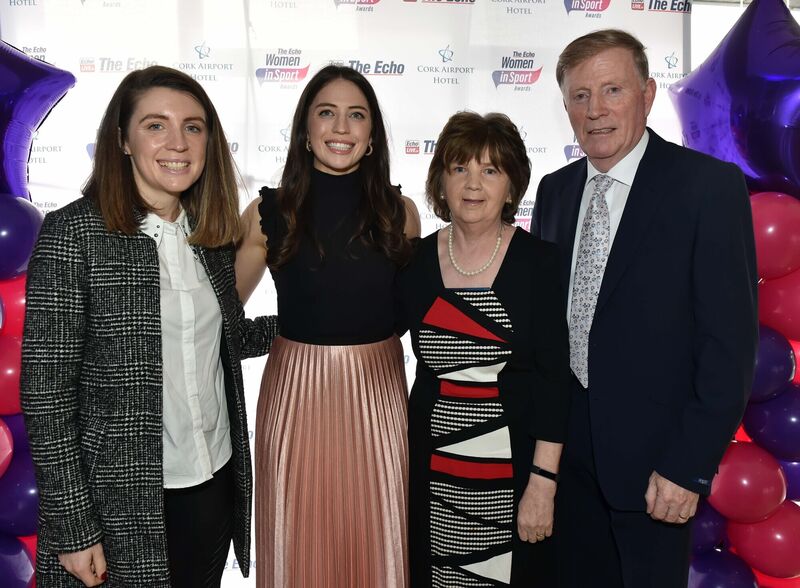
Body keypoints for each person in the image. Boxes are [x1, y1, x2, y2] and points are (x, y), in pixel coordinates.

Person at [20, 66, 277, 588]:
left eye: (194, 126)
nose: (177, 142)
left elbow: (228, 337)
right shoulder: (74, 234)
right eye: (156, 125)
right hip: (119, 510)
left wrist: (318, 322)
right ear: (123, 140)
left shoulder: (210, 237)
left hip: (213, 488)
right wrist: (72, 529)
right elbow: (46, 394)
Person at [532, 29, 758, 587]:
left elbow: (728, 348)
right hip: (567, 462)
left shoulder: (708, 189)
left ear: (649, 94)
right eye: (580, 96)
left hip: (659, 467)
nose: (596, 110)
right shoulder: (555, 192)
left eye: (613, 90)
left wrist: (688, 464)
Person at [235, 64, 420, 587]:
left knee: (378, 539)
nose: (341, 127)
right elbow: (220, 316)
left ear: (371, 136)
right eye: (327, 113)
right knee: (301, 545)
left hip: (379, 396)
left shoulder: (400, 213)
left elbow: (406, 312)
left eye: (356, 115)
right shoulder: (267, 212)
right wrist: (286, 332)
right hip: (296, 395)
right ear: (305, 130)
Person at [397, 111, 571, 587]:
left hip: (510, 473)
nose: (473, 184)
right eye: (460, 169)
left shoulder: (539, 263)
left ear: (511, 186)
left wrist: (543, 482)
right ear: (441, 182)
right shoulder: (413, 262)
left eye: (490, 170)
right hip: (431, 470)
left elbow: (556, 381)